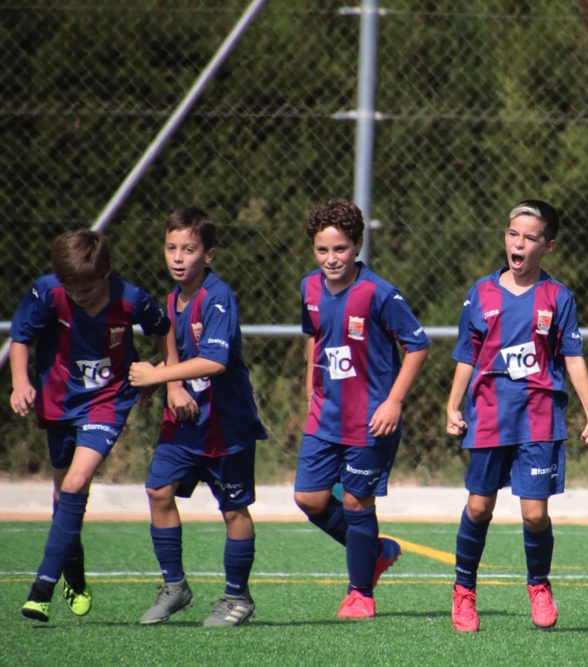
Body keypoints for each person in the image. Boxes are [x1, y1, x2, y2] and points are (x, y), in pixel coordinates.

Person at [445, 199, 588, 632]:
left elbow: (572, 358)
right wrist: (452, 405)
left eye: (530, 238)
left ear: (547, 246)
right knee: (479, 507)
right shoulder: (481, 293)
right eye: (513, 234)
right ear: (505, 238)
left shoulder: (557, 296)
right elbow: (466, 355)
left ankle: (538, 586)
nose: (519, 244)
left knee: (534, 514)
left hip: (539, 413)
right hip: (491, 412)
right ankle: (464, 592)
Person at [10, 230, 176, 623]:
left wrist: (166, 375)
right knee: (61, 492)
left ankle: (41, 589)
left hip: (108, 401)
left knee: (75, 482)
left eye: (85, 289)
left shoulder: (130, 298)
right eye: (71, 288)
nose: (78, 296)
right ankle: (75, 575)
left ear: (106, 274)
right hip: (59, 400)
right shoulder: (48, 292)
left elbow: (163, 328)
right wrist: (20, 382)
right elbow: (21, 336)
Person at [129, 207, 268, 627]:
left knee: (233, 510)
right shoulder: (172, 298)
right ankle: (175, 587)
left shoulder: (218, 297)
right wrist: (168, 385)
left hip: (226, 423)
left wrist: (156, 374)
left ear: (207, 255)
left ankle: (237, 598)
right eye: (171, 247)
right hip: (187, 421)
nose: (177, 257)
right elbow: (175, 351)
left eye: (188, 249)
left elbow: (213, 362)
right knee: (158, 490)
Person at [292, 199, 430, 620]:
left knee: (355, 503)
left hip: (371, 419)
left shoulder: (378, 292)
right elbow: (314, 336)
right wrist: (309, 388)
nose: (331, 259)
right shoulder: (309, 287)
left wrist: (393, 401)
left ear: (357, 245)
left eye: (340, 249)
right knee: (309, 498)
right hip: (325, 415)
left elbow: (418, 345)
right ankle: (377, 551)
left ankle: (360, 594)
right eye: (322, 250)